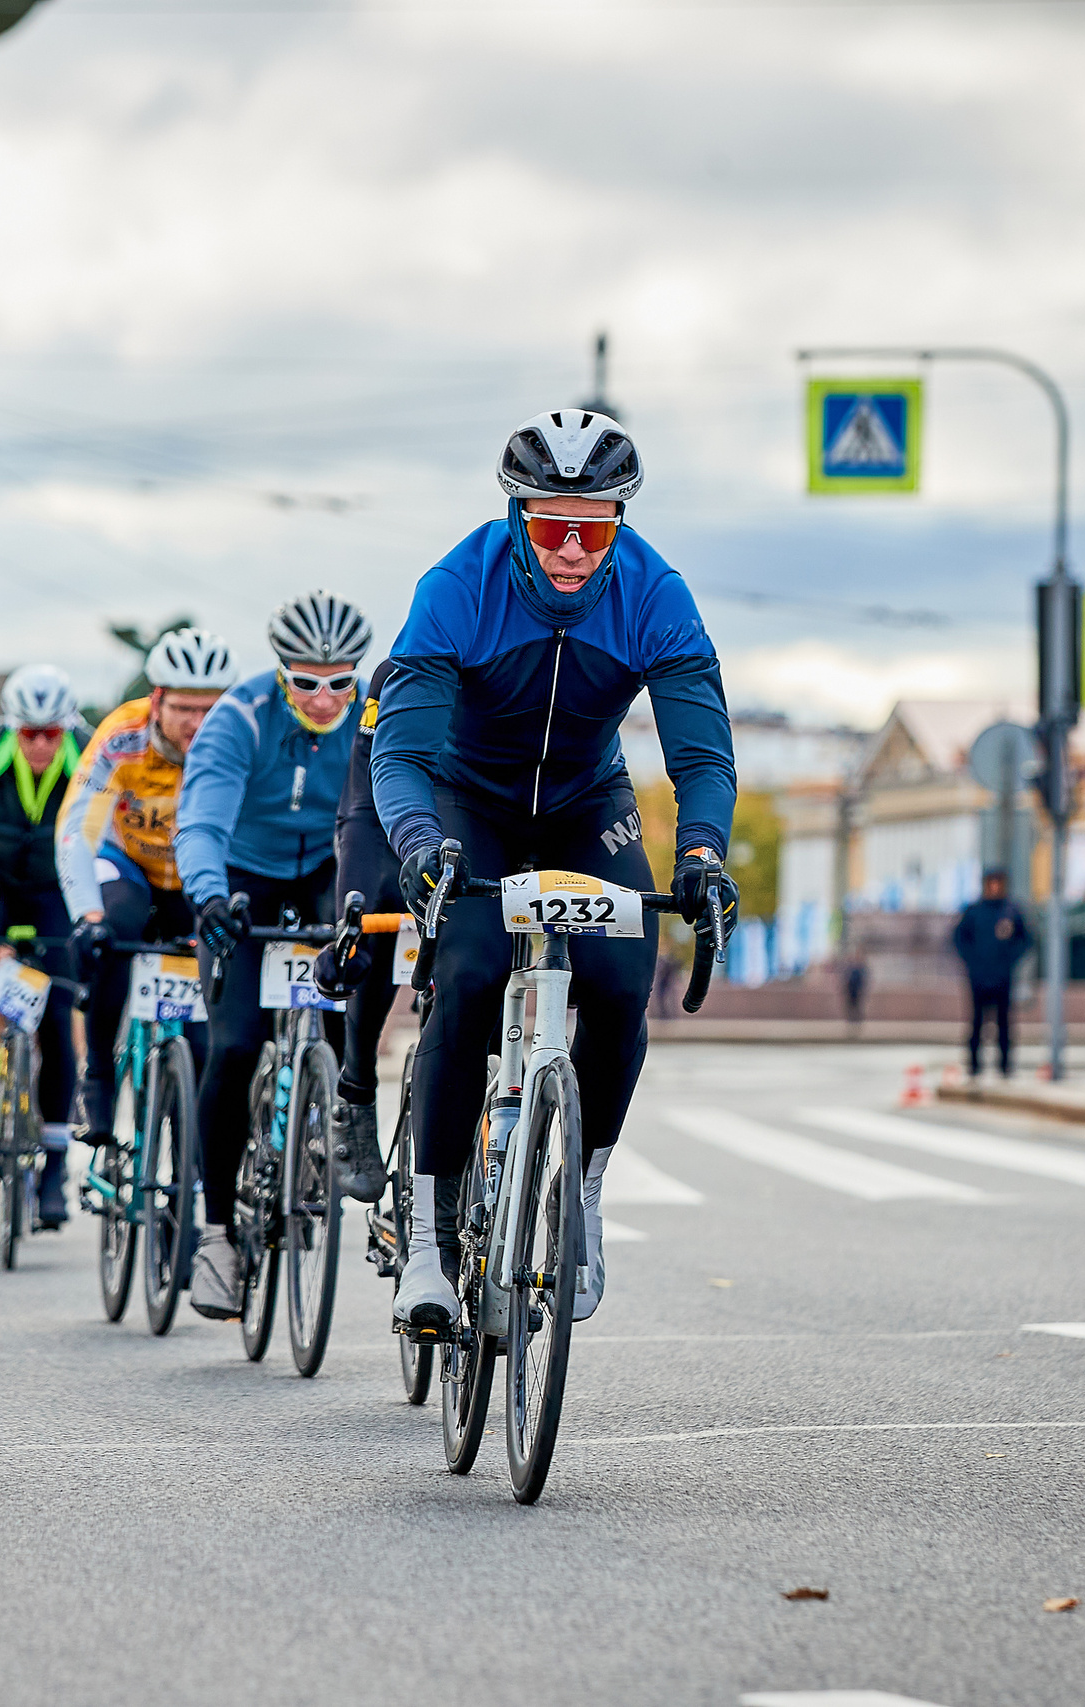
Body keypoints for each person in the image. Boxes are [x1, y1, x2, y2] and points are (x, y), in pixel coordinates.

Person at [373, 410, 738, 1332]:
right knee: (466, 975)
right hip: (466, 797)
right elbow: (402, 752)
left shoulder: (657, 592)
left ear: (620, 521)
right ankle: (427, 1238)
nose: (572, 549)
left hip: (585, 799)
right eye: (549, 526)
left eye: (595, 526)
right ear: (515, 518)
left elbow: (702, 755)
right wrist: (418, 842)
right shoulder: (457, 585)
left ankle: (581, 1196)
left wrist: (701, 852)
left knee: (621, 986)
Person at [175, 593, 372, 1321]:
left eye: (339, 681)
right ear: (281, 673)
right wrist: (208, 897)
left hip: (330, 867)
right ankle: (218, 1235)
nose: (324, 697)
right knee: (231, 1048)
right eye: (306, 680)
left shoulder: (370, 716)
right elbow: (200, 819)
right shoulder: (238, 717)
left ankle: (338, 1117)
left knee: (349, 1000)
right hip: (244, 875)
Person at [55, 629, 238, 1150]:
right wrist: (86, 916)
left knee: (206, 1030)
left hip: (197, 877)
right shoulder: (121, 734)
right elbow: (77, 830)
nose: (197, 723)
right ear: (156, 700)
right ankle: (98, 1078)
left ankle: (193, 1159)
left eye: (210, 708)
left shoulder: (234, 737)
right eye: (183, 708)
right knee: (115, 928)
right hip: (129, 863)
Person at [0, 665, 87, 1230]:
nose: (38, 745)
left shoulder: (88, 760)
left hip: (57, 890)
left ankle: (54, 1167)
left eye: (50, 734)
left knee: (57, 1016)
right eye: (28, 733)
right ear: (12, 728)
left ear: (66, 730)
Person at [309, 653, 406, 1207]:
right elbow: (362, 807)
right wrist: (354, 917)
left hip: (483, 826)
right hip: (385, 824)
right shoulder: (396, 674)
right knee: (372, 918)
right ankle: (358, 1085)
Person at [952, 868, 1032, 1079]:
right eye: (991, 883)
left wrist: (1010, 960)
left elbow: (1026, 939)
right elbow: (959, 938)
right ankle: (974, 1065)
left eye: (998, 883)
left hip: (1003, 976)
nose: (995, 887)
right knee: (977, 1021)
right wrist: (972, 962)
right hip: (978, 977)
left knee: (1004, 1022)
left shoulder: (1011, 911)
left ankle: (1005, 1065)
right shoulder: (974, 911)